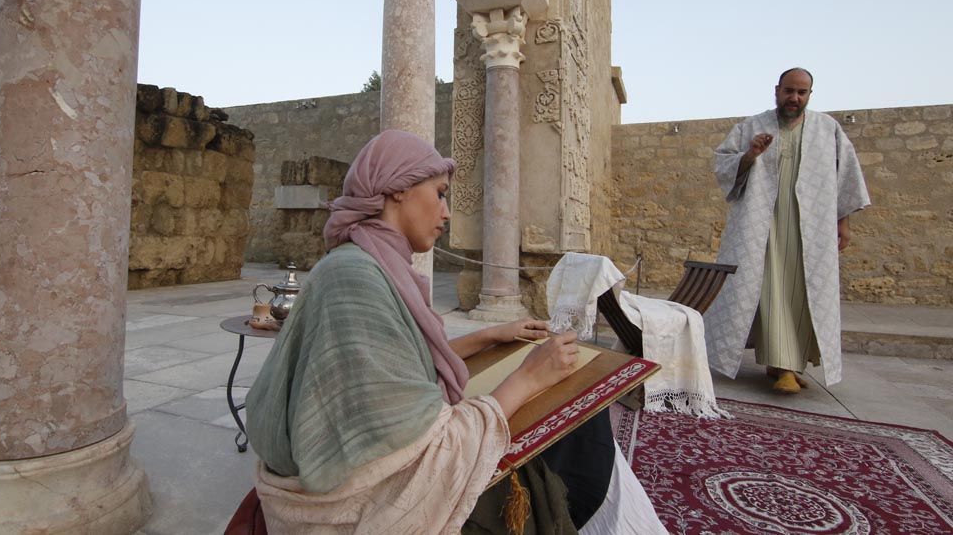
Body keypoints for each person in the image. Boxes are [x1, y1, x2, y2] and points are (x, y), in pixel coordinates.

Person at [237, 130, 665, 534]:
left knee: (570, 413)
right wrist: (529, 377)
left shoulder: (370, 262)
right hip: (358, 503)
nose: (445, 212)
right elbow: (419, 446)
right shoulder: (355, 278)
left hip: (370, 471)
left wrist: (490, 336)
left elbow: (398, 363)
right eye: (439, 194)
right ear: (397, 187)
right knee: (573, 433)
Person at [705, 68, 870, 394]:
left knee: (804, 296)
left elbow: (845, 176)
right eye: (789, 91)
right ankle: (783, 367)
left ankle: (785, 364)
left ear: (809, 95)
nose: (795, 98)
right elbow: (722, 163)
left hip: (810, 227)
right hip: (763, 227)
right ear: (777, 91)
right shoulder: (752, 126)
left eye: (802, 93)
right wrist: (750, 154)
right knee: (772, 290)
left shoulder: (828, 130)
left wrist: (844, 222)